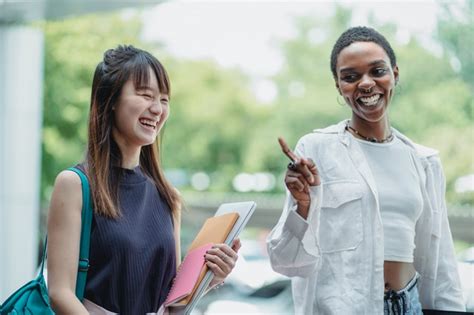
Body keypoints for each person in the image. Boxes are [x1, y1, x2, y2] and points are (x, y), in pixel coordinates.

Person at [267, 26, 465, 314]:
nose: (366, 83)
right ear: (338, 85)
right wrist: (303, 206)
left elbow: (441, 262)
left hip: (408, 305)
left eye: (377, 71)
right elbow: (286, 261)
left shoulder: (424, 162)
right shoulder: (316, 150)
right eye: (350, 77)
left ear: (394, 74)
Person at [46, 45, 240, 314]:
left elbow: (171, 302)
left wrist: (211, 277)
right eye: (145, 95)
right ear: (110, 99)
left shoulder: (168, 196)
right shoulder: (75, 184)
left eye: (164, 99)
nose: (157, 109)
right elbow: (59, 293)